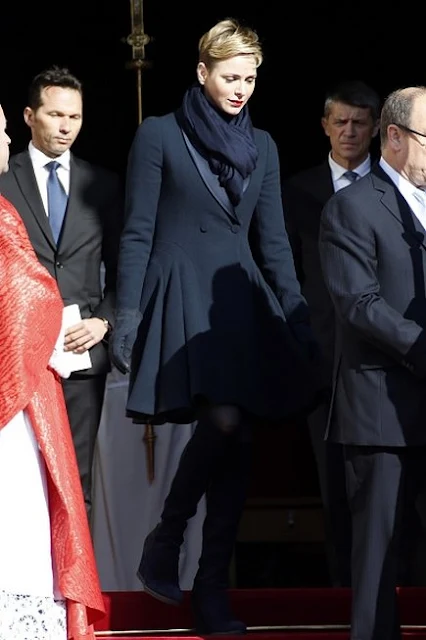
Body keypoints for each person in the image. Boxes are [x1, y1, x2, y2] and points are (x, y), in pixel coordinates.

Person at [110, 17, 322, 635]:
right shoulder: (158, 136)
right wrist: (127, 312)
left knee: (240, 442)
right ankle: (168, 535)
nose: (240, 88)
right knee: (226, 420)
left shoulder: (267, 147)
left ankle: (210, 590)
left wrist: (298, 315)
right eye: (230, 76)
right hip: (181, 297)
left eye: (250, 78)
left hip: (240, 304)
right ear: (202, 72)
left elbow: (275, 244)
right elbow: (137, 228)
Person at [318, 86, 426, 640]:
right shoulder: (351, 206)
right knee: (379, 561)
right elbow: (358, 304)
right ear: (396, 137)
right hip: (382, 410)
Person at [0, 66, 123, 523]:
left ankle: (76, 592)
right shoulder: (3, 179)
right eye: (55, 115)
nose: (66, 125)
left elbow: (125, 265)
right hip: (16, 355)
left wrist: (104, 320)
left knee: (79, 482)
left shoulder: (103, 185)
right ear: (30, 116)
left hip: (79, 350)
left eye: (75, 116)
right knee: (20, 478)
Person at [0, 103, 104, 639]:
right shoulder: (2, 211)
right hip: (12, 395)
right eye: (0, 131)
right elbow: (27, 298)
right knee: (20, 512)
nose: (4, 140)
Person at [282, 80, 381, 587]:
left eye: (359, 122)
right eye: (339, 121)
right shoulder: (297, 191)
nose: (349, 131)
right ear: (324, 125)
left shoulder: (394, 189)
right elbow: (286, 274)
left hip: (382, 361)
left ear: (377, 128)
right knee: (333, 487)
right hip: (321, 360)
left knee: (384, 487)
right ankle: (343, 591)